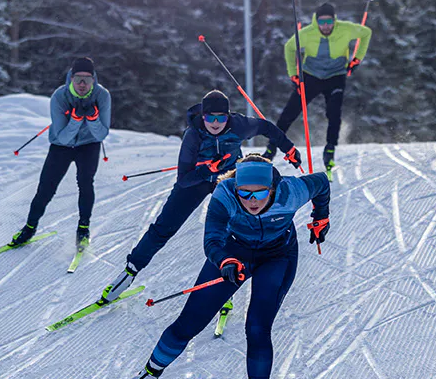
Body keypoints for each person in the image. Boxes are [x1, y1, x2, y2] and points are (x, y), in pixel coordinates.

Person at [108, 154, 330, 379]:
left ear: (273, 188)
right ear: (235, 186)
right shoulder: (224, 195)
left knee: (258, 327)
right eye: (244, 192)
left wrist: (321, 216)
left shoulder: (291, 191)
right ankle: (147, 377)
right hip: (234, 252)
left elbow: (322, 182)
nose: (252, 200)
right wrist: (224, 260)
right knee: (188, 322)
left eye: (260, 192)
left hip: (278, 256)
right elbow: (212, 238)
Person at [100, 90, 302, 301]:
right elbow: (183, 179)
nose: (215, 123)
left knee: (237, 228)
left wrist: (288, 148)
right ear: (203, 116)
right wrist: (207, 169)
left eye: (221, 117)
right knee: (164, 227)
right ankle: (130, 270)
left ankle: (227, 281)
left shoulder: (239, 125)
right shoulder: (193, 135)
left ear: (228, 116)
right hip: (196, 180)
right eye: (210, 117)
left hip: (228, 180)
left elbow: (267, 127)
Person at [10, 57, 111, 250]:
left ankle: (83, 228)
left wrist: (92, 118)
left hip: (88, 144)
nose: (82, 84)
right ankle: (29, 228)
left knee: (85, 183)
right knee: (46, 188)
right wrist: (75, 119)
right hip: (60, 146)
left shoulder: (102, 96)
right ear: (71, 78)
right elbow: (63, 138)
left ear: (94, 80)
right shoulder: (60, 96)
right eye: (78, 79)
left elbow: (102, 134)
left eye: (87, 80)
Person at [268, 2, 371, 173]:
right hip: (311, 76)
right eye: (322, 22)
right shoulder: (307, 33)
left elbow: (366, 33)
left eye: (329, 22)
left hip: (336, 76)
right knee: (291, 111)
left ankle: (330, 148)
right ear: (316, 21)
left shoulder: (345, 29)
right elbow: (289, 47)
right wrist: (293, 73)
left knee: (334, 112)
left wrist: (357, 59)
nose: (325, 26)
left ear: (334, 21)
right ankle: (271, 146)